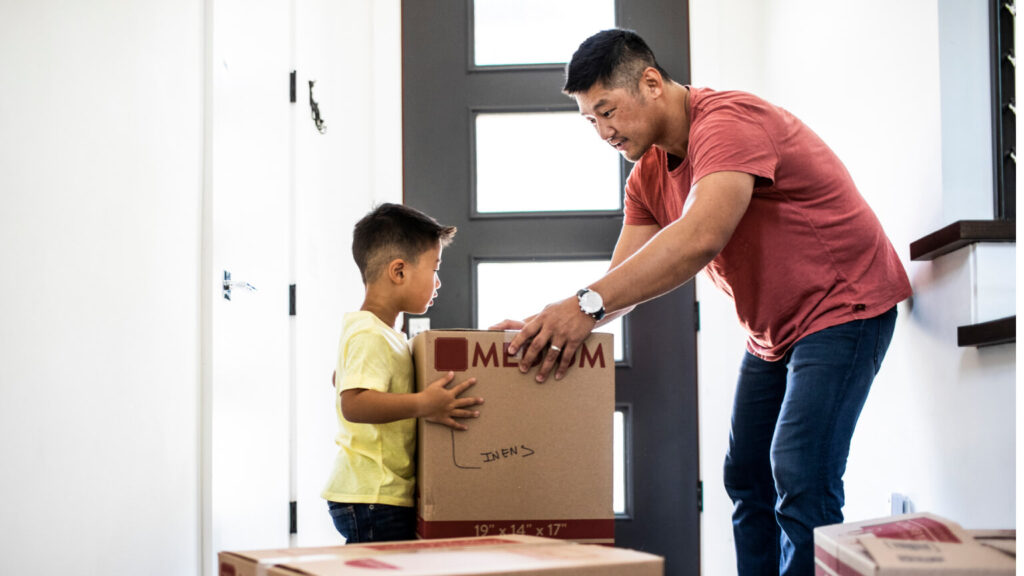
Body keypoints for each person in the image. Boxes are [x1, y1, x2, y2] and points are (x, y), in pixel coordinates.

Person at [495, 29, 911, 575]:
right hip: (774, 332)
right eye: (589, 120)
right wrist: (548, 325)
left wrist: (584, 307)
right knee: (745, 476)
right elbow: (619, 281)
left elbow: (699, 237)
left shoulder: (728, 122)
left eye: (606, 111)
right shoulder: (646, 176)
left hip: (845, 305)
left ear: (650, 83)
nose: (601, 131)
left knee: (800, 470)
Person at [322, 203, 484, 543]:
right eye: (434, 268)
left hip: (379, 492)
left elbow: (341, 379)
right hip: (373, 494)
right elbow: (353, 404)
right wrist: (425, 403)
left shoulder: (383, 334)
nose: (438, 282)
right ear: (399, 271)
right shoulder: (369, 333)